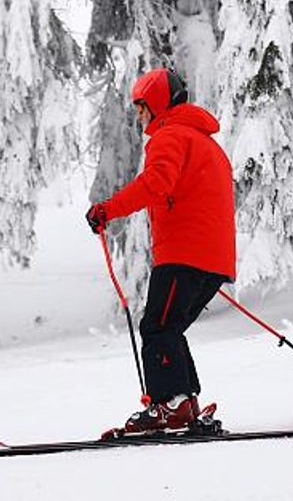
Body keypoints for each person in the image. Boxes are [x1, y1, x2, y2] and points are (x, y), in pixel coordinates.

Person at [86, 68, 236, 434]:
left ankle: (166, 406)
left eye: (141, 107)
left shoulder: (170, 136)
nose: (139, 116)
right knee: (168, 329)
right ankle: (183, 402)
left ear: (156, 104)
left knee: (156, 327)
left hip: (184, 253)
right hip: (212, 259)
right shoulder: (205, 143)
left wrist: (108, 209)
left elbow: (156, 183)